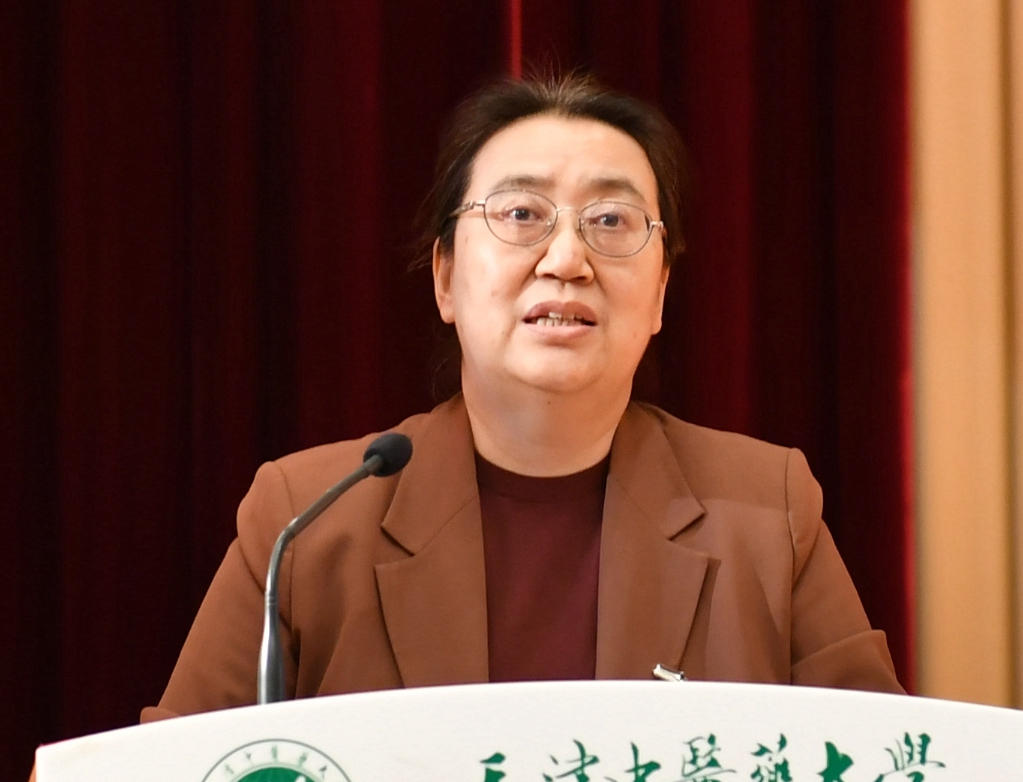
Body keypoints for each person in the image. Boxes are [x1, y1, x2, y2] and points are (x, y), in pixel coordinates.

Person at [143, 74, 902, 722]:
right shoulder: (307, 521)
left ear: (660, 293)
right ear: (445, 277)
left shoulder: (768, 513)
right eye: (520, 215)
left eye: (610, 221)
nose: (566, 259)